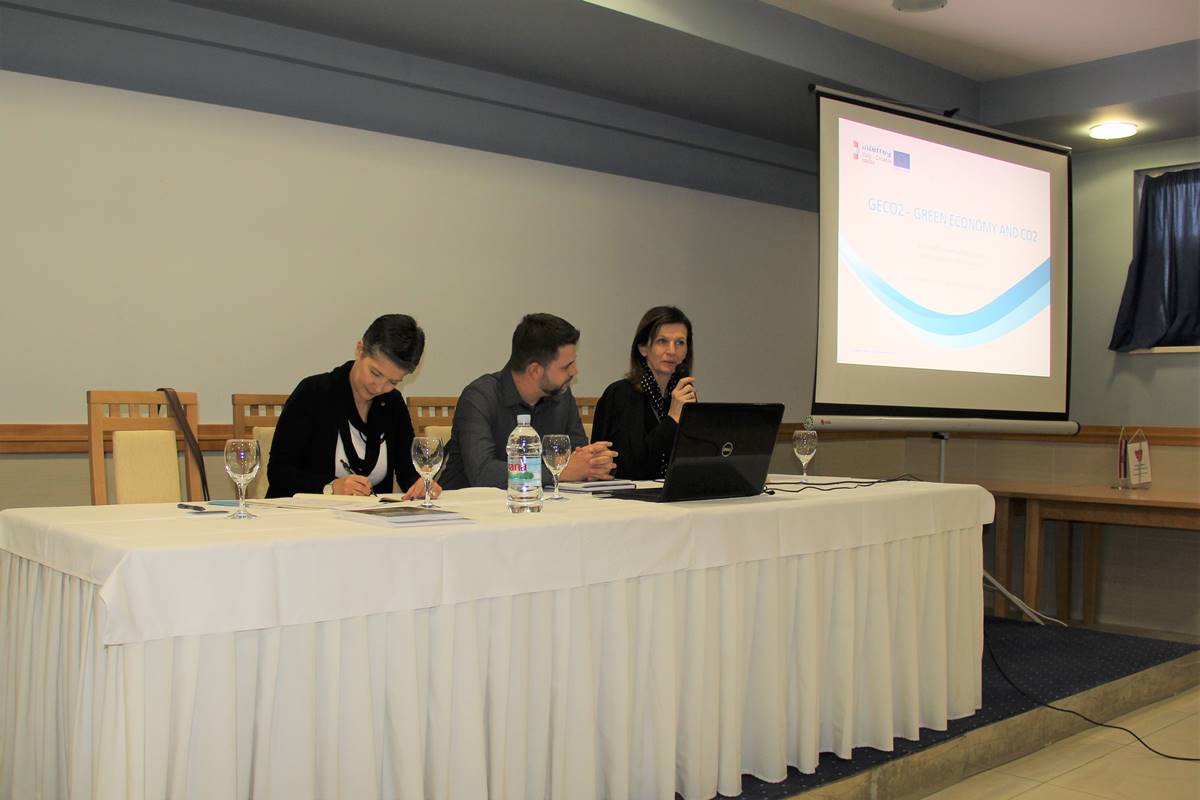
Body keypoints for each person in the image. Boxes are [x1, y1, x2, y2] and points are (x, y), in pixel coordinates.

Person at [267, 314, 438, 499]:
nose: (379, 387)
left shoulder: (393, 403)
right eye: (375, 373)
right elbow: (279, 472)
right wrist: (330, 487)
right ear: (359, 349)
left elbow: (407, 472)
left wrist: (421, 484)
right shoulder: (313, 393)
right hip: (304, 514)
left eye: (393, 382)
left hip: (369, 515)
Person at [440, 313, 617, 489]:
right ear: (535, 370)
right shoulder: (479, 398)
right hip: (470, 504)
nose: (574, 371)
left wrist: (595, 462)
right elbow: (483, 473)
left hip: (541, 502)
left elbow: (578, 457)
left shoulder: (562, 396)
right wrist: (559, 473)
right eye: (566, 366)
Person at [591, 306, 697, 479]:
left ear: (686, 351)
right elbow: (630, 467)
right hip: (628, 493)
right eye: (662, 341)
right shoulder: (621, 395)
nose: (672, 351)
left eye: (680, 342)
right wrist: (672, 419)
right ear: (643, 348)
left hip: (672, 490)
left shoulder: (683, 396)